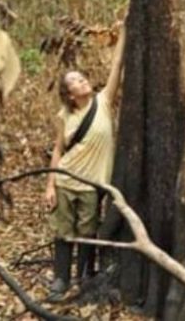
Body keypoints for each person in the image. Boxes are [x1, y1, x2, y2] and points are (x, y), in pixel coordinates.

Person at [43, 23, 126, 302]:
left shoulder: (103, 101)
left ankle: (84, 278)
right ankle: (60, 279)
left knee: (88, 231)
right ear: (69, 94)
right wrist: (50, 186)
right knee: (64, 233)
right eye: (76, 81)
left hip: (93, 183)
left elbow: (116, 66)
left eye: (82, 77)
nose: (83, 81)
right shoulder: (64, 116)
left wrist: (124, 33)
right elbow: (58, 150)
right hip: (66, 180)